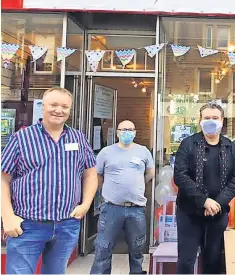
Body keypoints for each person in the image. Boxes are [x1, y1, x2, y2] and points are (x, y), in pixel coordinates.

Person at [1, 87, 98, 274]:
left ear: (70, 110)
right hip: (27, 225)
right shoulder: (22, 138)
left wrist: (85, 204)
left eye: (64, 107)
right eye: (53, 105)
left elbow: (90, 174)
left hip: (66, 224)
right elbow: (3, 179)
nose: (59, 110)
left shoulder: (78, 138)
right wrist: (7, 217)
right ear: (43, 106)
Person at [174, 103, 235, 274]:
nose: (211, 121)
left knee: (213, 261)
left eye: (215, 118)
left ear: (222, 121)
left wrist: (217, 203)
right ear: (200, 120)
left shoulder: (230, 147)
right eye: (207, 118)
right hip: (189, 212)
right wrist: (203, 201)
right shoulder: (188, 144)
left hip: (217, 213)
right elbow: (180, 176)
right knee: (186, 261)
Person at [90, 120, 154, 274]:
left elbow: (150, 173)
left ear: (135, 132)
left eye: (131, 129)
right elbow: (97, 175)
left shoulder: (143, 151)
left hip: (136, 209)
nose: (127, 132)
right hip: (111, 207)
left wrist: (136, 185)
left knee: (137, 248)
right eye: (124, 129)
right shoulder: (106, 152)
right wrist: (109, 189)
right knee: (103, 247)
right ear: (117, 132)